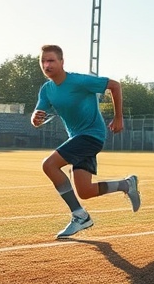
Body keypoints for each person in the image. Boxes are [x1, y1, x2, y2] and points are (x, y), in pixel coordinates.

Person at [31, 44, 141, 238]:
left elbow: (114, 85)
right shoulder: (46, 90)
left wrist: (118, 117)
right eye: (43, 61)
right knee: (85, 191)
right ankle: (126, 185)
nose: (46, 65)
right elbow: (37, 115)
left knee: (49, 165)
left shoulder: (79, 81)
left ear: (62, 62)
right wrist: (35, 119)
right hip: (77, 138)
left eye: (51, 60)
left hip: (92, 135)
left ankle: (79, 216)